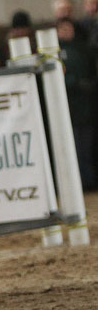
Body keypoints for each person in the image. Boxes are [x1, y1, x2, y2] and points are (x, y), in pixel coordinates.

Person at [56, 16, 97, 190]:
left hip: (86, 106)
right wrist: (74, 82)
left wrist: (90, 84)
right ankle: (76, 182)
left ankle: (90, 180)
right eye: (62, 29)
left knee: (87, 145)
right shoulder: (55, 52)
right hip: (68, 106)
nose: (66, 32)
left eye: (69, 28)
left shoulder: (83, 48)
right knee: (74, 147)